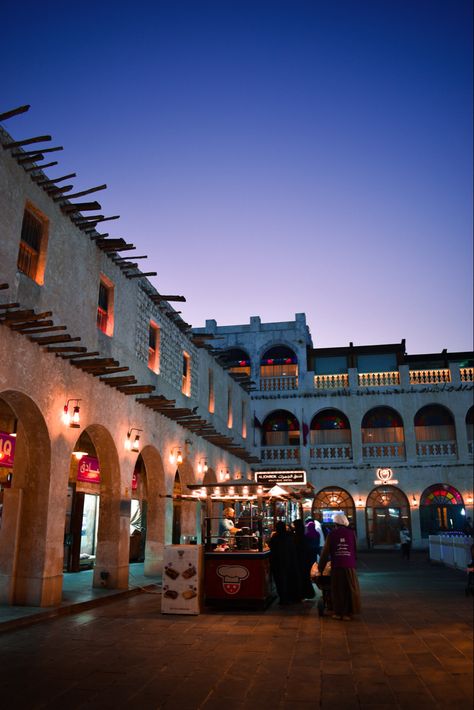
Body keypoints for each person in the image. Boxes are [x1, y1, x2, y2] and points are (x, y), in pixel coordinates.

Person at [318, 512, 361, 620]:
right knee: (349, 589)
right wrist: (353, 561)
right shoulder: (352, 533)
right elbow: (355, 549)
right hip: (349, 566)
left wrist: (321, 567)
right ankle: (348, 613)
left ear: (335, 524)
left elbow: (325, 552)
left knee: (338, 590)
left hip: (337, 565)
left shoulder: (332, 534)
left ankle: (338, 613)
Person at [269, 521, 301, 604]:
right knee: (290, 580)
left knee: (280, 581)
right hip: (290, 561)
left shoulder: (275, 537)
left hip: (278, 563)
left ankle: (283, 599)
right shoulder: (290, 536)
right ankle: (291, 597)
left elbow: (271, 548)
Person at [292, 518, 316, 599]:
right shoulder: (303, 535)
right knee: (305, 577)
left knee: (301, 577)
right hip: (305, 559)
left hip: (300, 560)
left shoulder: (297, 537)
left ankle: (301, 594)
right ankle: (307, 593)